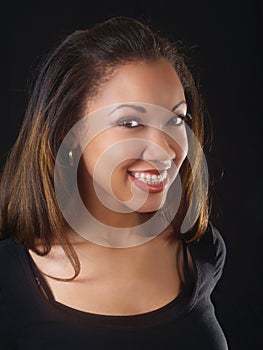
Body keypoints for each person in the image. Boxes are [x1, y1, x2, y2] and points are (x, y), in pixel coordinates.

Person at [0, 16, 228, 349]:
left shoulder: (200, 250)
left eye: (176, 119)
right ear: (69, 133)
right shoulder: (8, 280)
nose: (166, 150)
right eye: (131, 122)